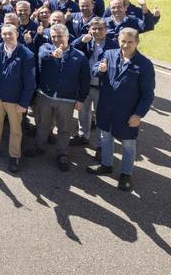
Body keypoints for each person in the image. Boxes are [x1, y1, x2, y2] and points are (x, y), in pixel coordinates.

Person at [87, 28, 155, 192]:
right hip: (106, 108)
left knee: (128, 145)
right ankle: (106, 164)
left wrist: (138, 114)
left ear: (137, 42)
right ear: (118, 40)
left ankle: (126, 174)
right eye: (123, 41)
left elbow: (148, 94)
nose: (125, 45)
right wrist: (99, 70)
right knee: (105, 137)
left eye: (130, 42)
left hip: (127, 113)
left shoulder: (145, 64)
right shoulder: (109, 54)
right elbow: (96, 68)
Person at [23, 24, 90, 171]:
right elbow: (41, 56)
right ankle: (39, 146)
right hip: (45, 96)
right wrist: (53, 55)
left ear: (67, 37)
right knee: (42, 125)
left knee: (64, 129)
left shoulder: (80, 56)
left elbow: (85, 80)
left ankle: (62, 154)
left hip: (67, 99)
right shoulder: (45, 48)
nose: (56, 39)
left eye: (60, 36)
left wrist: (80, 99)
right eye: (53, 36)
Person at [0, 23, 37, 173]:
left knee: (15, 129)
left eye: (10, 34)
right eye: (4, 34)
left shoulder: (26, 54)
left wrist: (24, 103)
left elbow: (30, 83)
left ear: (16, 34)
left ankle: (15, 156)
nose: (7, 37)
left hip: (15, 99)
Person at [71, 18, 118, 147]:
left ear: (106, 30)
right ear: (89, 30)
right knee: (83, 113)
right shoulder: (86, 41)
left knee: (101, 117)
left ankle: (100, 146)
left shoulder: (113, 45)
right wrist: (80, 41)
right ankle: (83, 136)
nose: (97, 31)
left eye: (100, 28)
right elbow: (70, 49)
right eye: (94, 28)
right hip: (85, 85)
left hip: (102, 87)